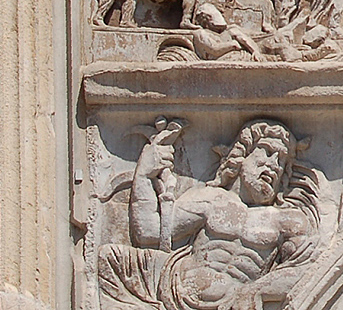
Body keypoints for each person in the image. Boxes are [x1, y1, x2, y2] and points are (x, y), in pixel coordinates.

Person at [97, 119, 318, 310]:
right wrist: (145, 175)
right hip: (176, 289)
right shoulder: (210, 199)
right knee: (109, 258)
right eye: (268, 153)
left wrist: (257, 291)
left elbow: (307, 270)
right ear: (241, 157)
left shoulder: (287, 221)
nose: (273, 165)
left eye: (281, 162)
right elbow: (150, 232)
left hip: (235, 303)